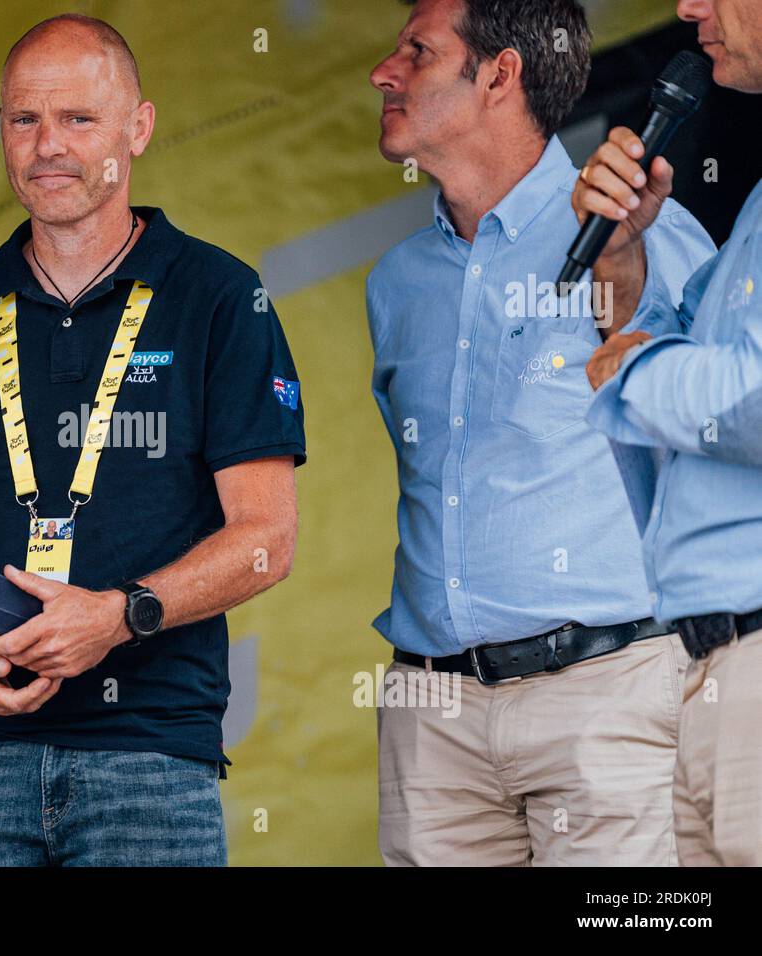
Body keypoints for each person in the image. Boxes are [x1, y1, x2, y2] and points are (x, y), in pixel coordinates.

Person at [0, 14, 305, 867]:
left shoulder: (219, 296)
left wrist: (119, 616)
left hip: (149, 757)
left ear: (137, 128)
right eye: (25, 120)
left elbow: (267, 540)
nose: (47, 148)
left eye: (78, 119)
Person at [366, 0, 715, 865]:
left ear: (501, 74)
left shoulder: (646, 231)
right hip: (432, 715)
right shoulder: (396, 282)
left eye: (417, 51)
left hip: (610, 697)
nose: (384, 71)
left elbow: (716, 435)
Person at [578, 0, 762, 867]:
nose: (687, 7)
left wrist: (638, 371)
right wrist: (618, 260)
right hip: (708, 661)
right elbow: (672, 437)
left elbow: (747, 404)